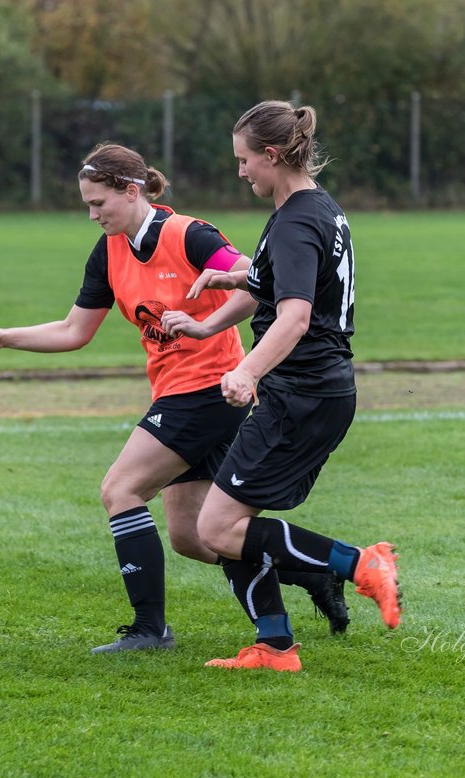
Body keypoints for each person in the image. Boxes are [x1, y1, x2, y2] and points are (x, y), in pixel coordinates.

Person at [0, 142, 350, 654]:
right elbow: (75, 330)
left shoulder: (189, 234)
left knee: (120, 489)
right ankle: (308, 572)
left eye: (99, 203)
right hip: (179, 392)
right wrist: (2, 336)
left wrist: (210, 330)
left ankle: (149, 630)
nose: (92, 214)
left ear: (131, 191)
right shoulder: (110, 251)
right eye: (87, 206)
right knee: (194, 535)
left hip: (210, 388)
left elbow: (256, 280)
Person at [160, 101, 402, 672]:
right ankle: (273, 645)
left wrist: (247, 370)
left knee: (216, 527)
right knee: (230, 526)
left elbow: (294, 315)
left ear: (272, 155)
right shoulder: (318, 208)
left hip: (302, 392)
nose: (240, 171)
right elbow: (282, 281)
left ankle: (358, 564)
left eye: (245, 161)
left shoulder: (294, 221)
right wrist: (217, 305)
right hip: (318, 390)